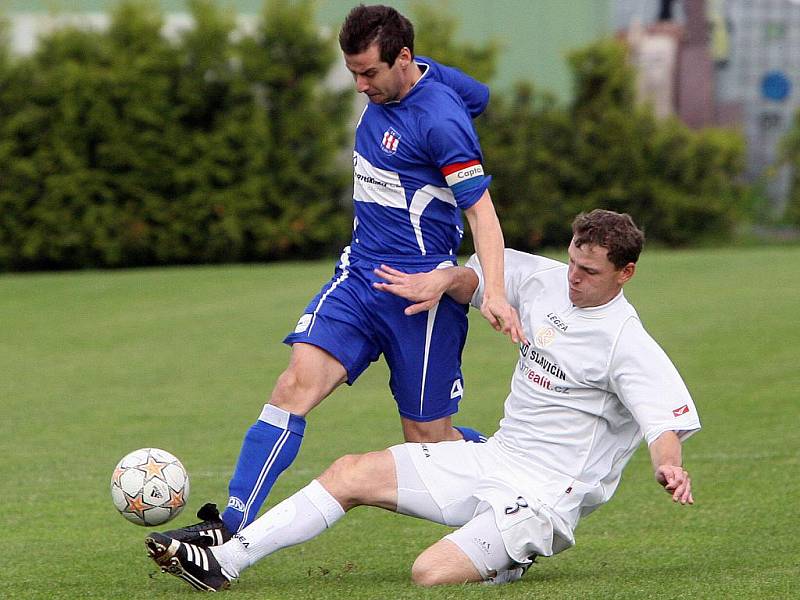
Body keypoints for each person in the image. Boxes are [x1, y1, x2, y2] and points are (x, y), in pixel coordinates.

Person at [146, 209, 701, 590]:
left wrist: (668, 469)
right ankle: (224, 562)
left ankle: (512, 558)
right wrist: (444, 281)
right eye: (574, 262)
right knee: (349, 472)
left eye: (590, 271)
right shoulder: (544, 280)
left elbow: (662, 425)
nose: (574, 278)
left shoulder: (629, 343)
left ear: (625, 273)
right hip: (494, 458)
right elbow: (476, 276)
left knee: (429, 573)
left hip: (544, 498)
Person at [159, 4, 523, 547]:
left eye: (368, 73)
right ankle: (227, 528)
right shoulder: (425, 74)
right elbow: (483, 96)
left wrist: (493, 291)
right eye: (352, 72)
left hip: (419, 299)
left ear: (401, 60)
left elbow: (483, 214)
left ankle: (510, 478)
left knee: (431, 442)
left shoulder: (441, 120)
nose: (359, 86)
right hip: (357, 281)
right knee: (292, 386)